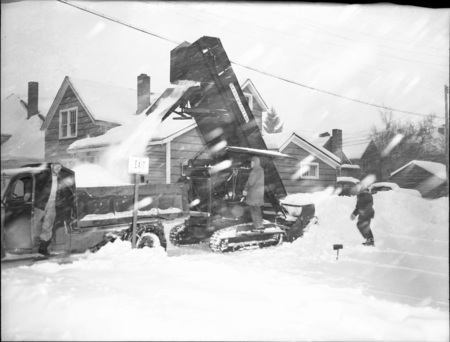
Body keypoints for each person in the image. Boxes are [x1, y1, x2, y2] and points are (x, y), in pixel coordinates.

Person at [24, 162, 64, 256]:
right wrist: (28, 192)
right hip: (40, 203)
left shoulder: (60, 177)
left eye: (60, 167)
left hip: (52, 204)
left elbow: (63, 189)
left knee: (48, 226)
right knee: (32, 223)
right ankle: (25, 246)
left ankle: (43, 248)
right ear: (51, 166)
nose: (58, 169)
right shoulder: (44, 174)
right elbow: (29, 180)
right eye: (56, 166)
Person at [242, 156, 265, 231]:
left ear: (255, 163)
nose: (250, 164)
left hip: (253, 194)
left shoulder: (255, 171)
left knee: (253, 210)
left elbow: (250, 182)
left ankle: (257, 226)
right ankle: (259, 225)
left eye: (251, 162)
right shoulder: (261, 170)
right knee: (257, 209)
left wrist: (245, 190)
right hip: (259, 194)